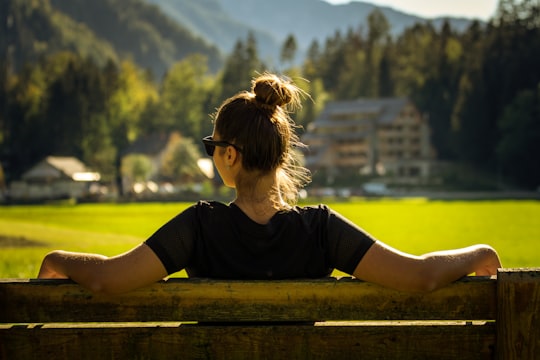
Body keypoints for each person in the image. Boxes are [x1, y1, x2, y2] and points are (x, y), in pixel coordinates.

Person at [38, 73, 502, 294]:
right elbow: (419, 276)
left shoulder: (198, 227)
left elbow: (105, 279)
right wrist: (479, 253)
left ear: (231, 155)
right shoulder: (321, 230)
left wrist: (57, 258)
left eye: (211, 146)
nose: (211, 154)